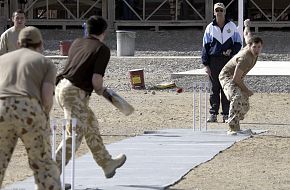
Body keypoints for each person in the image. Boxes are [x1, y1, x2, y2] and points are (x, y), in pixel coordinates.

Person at [54, 16, 126, 180]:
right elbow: (96, 81)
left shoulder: (77, 42)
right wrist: (104, 92)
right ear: (104, 31)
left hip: (62, 87)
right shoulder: (102, 49)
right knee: (74, 136)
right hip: (74, 93)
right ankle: (48, 175)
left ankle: (106, 163)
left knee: (91, 124)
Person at [0, 26, 61, 189]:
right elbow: (47, 97)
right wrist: (44, 117)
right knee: (43, 167)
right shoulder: (45, 62)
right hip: (29, 107)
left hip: (1, 107)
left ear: (19, 43)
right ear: (40, 44)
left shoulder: (2, 60)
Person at [219, 19, 263, 135]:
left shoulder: (250, 43)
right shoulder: (245, 58)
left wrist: (246, 25)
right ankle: (232, 127)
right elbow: (236, 79)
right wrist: (246, 90)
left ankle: (237, 125)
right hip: (227, 77)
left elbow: (247, 34)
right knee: (237, 97)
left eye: (259, 47)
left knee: (245, 105)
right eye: (254, 47)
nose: (257, 50)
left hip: (237, 78)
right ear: (249, 46)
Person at [201, 2, 242, 123]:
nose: (219, 12)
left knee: (226, 88)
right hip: (214, 61)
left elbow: (238, 43)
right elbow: (205, 47)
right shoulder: (210, 27)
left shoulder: (232, 26)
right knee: (214, 88)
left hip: (227, 61)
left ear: (225, 12)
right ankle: (213, 113)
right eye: (217, 10)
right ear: (214, 12)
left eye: (221, 10)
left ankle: (225, 114)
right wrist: (205, 64)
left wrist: (231, 51)